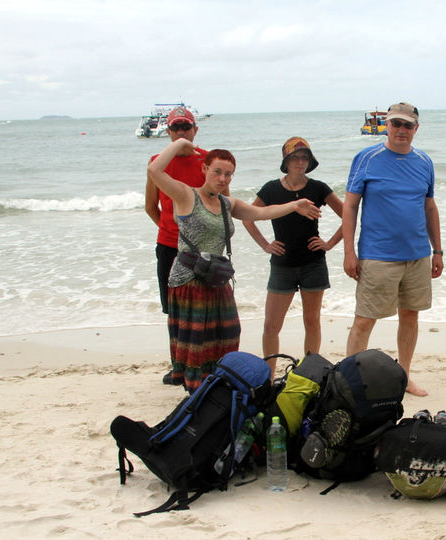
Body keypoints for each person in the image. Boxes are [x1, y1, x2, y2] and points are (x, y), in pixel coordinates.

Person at [147, 137, 322, 394]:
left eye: (228, 174)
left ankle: (219, 386)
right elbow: (154, 171)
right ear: (204, 169)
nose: (223, 178)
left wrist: (295, 205)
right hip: (190, 280)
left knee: (227, 334)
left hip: (216, 278)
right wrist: (182, 142)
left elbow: (262, 213)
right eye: (217, 172)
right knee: (198, 343)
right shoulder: (186, 195)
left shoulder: (227, 204)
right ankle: (197, 392)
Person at [342, 102, 443, 397]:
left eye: (407, 125)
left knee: (410, 316)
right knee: (364, 320)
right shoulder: (367, 158)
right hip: (377, 255)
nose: (401, 130)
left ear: (416, 128)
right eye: (396, 124)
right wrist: (350, 252)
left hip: (417, 255)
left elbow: (429, 206)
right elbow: (350, 205)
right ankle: (350, 383)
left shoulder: (424, 162)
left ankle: (404, 376)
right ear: (387, 125)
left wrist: (438, 250)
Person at [242, 137, 344, 377]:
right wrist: (265, 244)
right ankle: (267, 376)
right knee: (271, 326)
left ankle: (308, 374)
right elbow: (248, 217)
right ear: (286, 161)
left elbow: (348, 216)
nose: (300, 162)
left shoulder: (318, 188)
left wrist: (329, 243)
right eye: (295, 157)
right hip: (282, 265)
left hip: (313, 263)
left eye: (304, 158)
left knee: (312, 321)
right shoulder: (271, 188)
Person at [144, 106, 214, 386]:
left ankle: (205, 364)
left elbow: (221, 204)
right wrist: (172, 233)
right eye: (176, 128)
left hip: (203, 249)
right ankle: (179, 367)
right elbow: (151, 207)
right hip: (169, 247)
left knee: (204, 309)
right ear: (168, 132)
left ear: (195, 130)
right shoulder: (156, 162)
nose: (182, 132)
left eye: (187, 127)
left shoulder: (209, 160)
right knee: (174, 310)